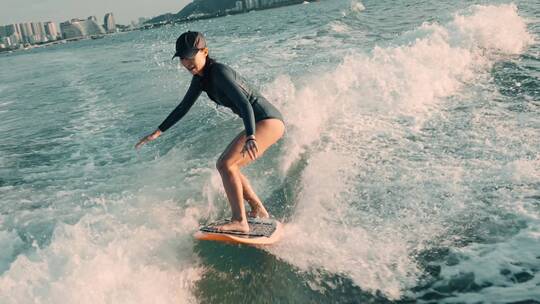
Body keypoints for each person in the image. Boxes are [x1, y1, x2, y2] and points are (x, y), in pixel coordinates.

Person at [135, 31, 285, 233]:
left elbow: (244, 104)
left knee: (225, 164)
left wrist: (250, 135)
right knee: (230, 166)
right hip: (262, 122)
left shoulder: (219, 72)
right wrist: (158, 132)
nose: (187, 63)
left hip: (267, 121)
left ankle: (239, 220)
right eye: (182, 58)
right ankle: (258, 210)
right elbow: (182, 108)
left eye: (190, 56)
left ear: (204, 51)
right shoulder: (200, 79)